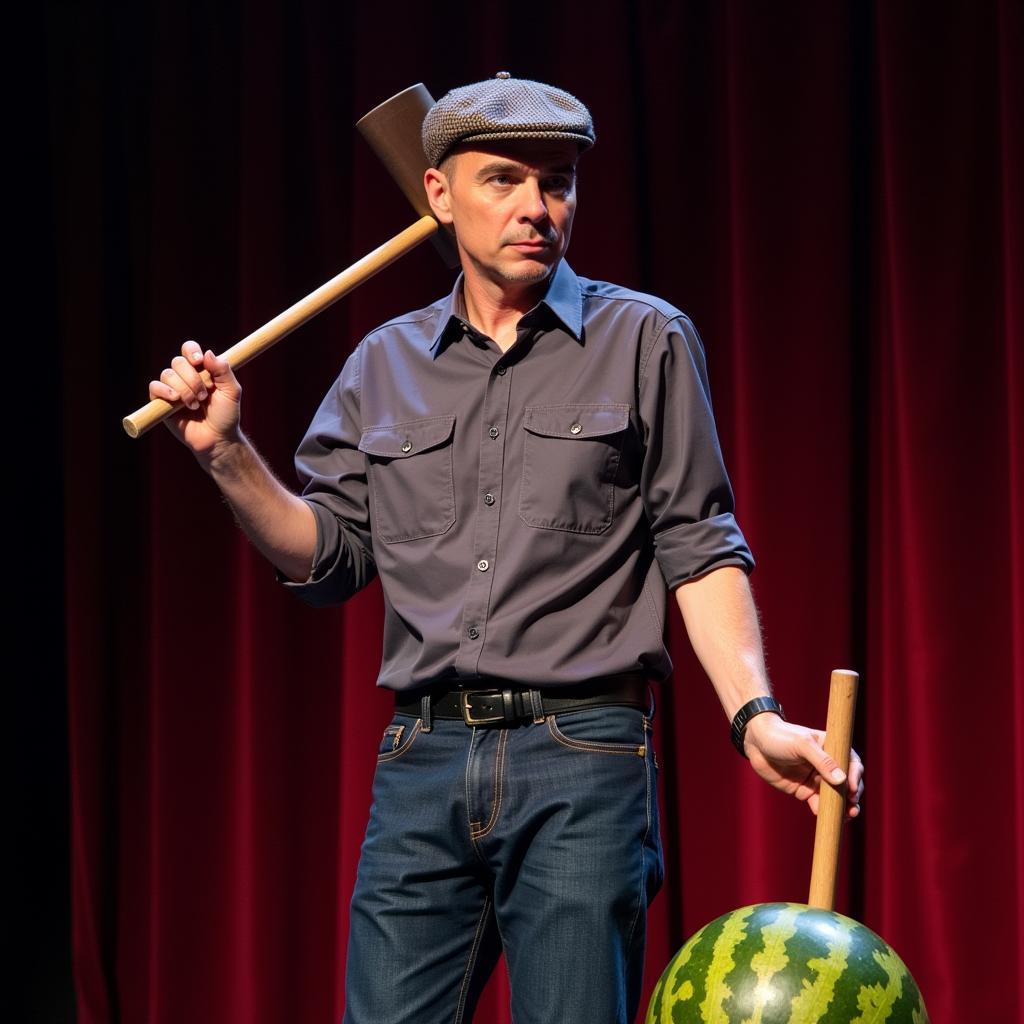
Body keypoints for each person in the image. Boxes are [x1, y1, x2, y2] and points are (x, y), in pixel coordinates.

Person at [150, 75, 863, 1024]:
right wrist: (226, 454)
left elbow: (699, 545)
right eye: (503, 180)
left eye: (558, 181)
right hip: (424, 757)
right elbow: (330, 564)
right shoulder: (384, 363)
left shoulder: (643, 339)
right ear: (439, 194)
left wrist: (755, 717)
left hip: (583, 756)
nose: (537, 207)